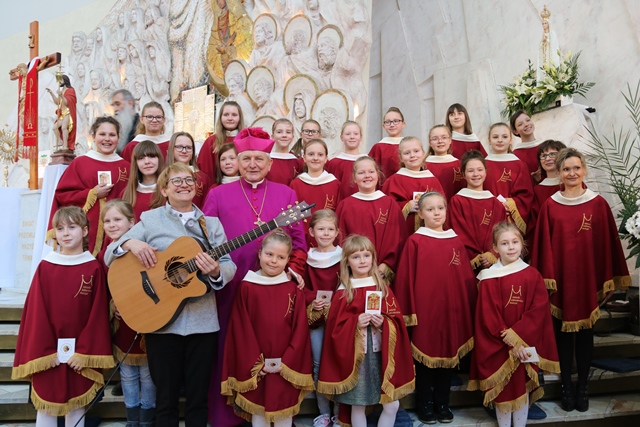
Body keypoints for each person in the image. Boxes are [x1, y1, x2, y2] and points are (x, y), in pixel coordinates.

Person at [105, 163, 237, 427]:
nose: (183, 185)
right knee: (165, 399)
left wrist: (215, 272)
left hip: (202, 323)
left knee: (198, 397)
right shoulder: (151, 219)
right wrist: (131, 242)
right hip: (161, 322)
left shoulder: (210, 224)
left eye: (188, 180)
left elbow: (228, 264)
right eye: (176, 181)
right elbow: (110, 253)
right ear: (164, 190)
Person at [202, 127, 307, 427]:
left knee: (273, 350)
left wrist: (291, 270)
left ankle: (273, 412)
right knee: (230, 348)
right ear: (236, 161)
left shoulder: (286, 194)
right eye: (246, 158)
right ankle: (227, 418)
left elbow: (299, 244)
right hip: (229, 288)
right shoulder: (217, 194)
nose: (252, 164)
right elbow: (205, 242)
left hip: (274, 293)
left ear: (270, 162)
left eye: (259, 159)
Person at [531, 148, 630, 412]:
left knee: (586, 334)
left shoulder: (598, 204)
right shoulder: (551, 206)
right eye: (566, 169)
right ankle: (566, 386)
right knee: (563, 335)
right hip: (561, 282)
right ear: (559, 173)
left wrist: (607, 280)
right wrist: (547, 283)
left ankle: (583, 387)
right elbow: (544, 247)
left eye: (576, 168)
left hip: (588, 281)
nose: (572, 173)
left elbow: (606, 245)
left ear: (584, 170)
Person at [13, 206, 115, 427]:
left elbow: (97, 314)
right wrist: (46, 351)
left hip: (79, 352)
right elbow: (36, 313)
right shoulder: (46, 267)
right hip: (47, 350)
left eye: (72, 227)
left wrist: (85, 352)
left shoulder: (93, 268)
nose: (65, 233)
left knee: (77, 406)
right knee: (45, 406)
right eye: (60, 229)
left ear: (85, 231)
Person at [394, 192, 475, 424]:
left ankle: (443, 403)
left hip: (451, 310)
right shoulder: (415, 242)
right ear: (420, 213)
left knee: (448, 360)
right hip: (425, 312)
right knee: (424, 362)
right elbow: (405, 279)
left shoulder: (455, 241)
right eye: (430, 209)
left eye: (441, 208)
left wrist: (465, 308)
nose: (437, 213)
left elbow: (464, 280)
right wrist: (410, 312)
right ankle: (425, 405)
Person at [317, 235, 415, 427]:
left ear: (373, 258)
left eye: (366, 255)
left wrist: (384, 323)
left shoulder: (382, 287)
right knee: (358, 405)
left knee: (392, 405)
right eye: (356, 257)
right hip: (358, 359)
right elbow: (335, 329)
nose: (362, 261)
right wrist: (355, 322)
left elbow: (396, 319)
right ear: (347, 262)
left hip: (381, 357)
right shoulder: (344, 291)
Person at [469, 222, 560, 427]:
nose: (511, 247)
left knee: (522, 390)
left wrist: (519, 339)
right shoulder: (488, 278)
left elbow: (538, 310)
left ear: (522, 244)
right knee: (503, 393)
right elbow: (488, 314)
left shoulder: (533, 275)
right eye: (504, 243)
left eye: (515, 242)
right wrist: (510, 341)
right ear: (495, 248)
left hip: (525, 345)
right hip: (498, 346)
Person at [221, 230, 314, 426]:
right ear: (260, 253)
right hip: (258, 366)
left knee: (284, 415)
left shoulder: (292, 288)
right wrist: (255, 363)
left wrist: (288, 361)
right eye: (269, 254)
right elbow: (241, 329)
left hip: (285, 365)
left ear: (288, 259)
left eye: (281, 257)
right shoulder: (247, 286)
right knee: (259, 415)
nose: (273, 261)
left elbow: (300, 330)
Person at [100, 200, 156, 427]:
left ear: (132, 223)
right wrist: (112, 306)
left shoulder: (142, 248)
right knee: (128, 374)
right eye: (107, 221)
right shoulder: (104, 255)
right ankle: (132, 419)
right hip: (121, 322)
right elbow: (103, 291)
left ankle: (147, 419)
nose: (112, 225)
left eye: (117, 219)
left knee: (148, 375)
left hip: (146, 319)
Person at [48, 116, 130, 256]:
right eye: (102, 134)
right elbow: (62, 195)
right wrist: (92, 194)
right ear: (93, 136)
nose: (107, 139)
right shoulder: (80, 163)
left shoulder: (126, 167)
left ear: (118, 138)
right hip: (86, 230)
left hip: (118, 232)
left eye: (112, 135)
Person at [336, 156, 407, 283]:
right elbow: (340, 239)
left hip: (382, 272)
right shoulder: (345, 205)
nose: (367, 176)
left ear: (378, 175)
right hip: (354, 273)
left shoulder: (389, 204)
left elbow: (397, 238)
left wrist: (386, 265)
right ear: (354, 178)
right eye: (361, 173)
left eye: (371, 171)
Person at [303, 210, 342, 427]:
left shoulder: (343, 256)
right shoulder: (306, 258)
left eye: (330, 229)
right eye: (321, 229)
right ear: (311, 232)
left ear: (337, 232)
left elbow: (349, 284)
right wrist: (312, 300)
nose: (325, 233)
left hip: (339, 318)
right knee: (318, 363)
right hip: (316, 318)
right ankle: (324, 412)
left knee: (338, 362)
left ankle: (338, 413)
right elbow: (301, 287)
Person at [449, 151, 506, 272]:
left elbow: (501, 233)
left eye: (480, 170)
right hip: (466, 262)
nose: (476, 174)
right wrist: (475, 257)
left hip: (492, 265)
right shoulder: (457, 201)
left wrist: (492, 254)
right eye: (470, 171)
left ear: (486, 172)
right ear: (463, 174)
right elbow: (458, 232)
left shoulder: (496, 204)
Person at [381, 136, 444, 235]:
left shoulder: (432, 180)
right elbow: (385, 207)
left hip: (430, 231)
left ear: (423, 153)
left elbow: (442, 205)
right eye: (407, 153)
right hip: (402, 231)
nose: (412, 155)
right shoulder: (394, 180)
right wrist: (407, 206)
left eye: (416, 151)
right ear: (401, 158)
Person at [483, 123, 534, 235]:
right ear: (489, 140)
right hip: (488, 214)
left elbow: (526, 195)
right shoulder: (482, 165)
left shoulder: (520, 165)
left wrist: (509, 204)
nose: (500, 140)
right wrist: (493, 206)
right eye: (495, 137)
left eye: (504, 136)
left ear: (511, 140)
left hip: (510, 217)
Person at [290, 139, 341, 249]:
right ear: (304, 158)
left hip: (328, 240)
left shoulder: (335, 184)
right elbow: (293, 217)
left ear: (326, 158)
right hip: (302, 240)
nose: (315, 158)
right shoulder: (295, 184)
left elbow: (338, 214)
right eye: (311, 154)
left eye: (320, 154)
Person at [197, 101, 245, 181]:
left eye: (234, 115)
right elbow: (205, 171)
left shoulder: (246, 140)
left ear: (240, 118)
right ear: (220, 117)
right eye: (226, 115)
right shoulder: (211, 141)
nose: (230, 118)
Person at [165, 132, 211, 208]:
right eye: (179, 147)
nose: (184, 151)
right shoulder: (164, 175)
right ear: (171, 149)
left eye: (188, 147)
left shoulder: (203, 178)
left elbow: (206, 207)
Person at [120, 140, 164, 221]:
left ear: (159, 159)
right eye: (141, 158)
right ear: (135, 163)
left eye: (151, 156)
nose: (147, 162)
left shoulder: (169, 192)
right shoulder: (126, 194)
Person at [425, 124, 465, 201]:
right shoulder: (423, 165)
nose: (440, 141)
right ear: (430, 143)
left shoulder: (459, 165)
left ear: (450, 140)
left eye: (444, 137)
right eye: (435, 139)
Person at [326, 121, 363, 199]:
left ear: (361, 137)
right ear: (341, 137)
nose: (352, 137)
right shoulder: (335, 163)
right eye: (348, 134)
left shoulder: (368, 161)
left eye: (356, 134)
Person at [368, 107, 406, 181]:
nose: (392, 125)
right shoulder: (378, 147)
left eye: (396, 121)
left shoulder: (409, 145)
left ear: (403, 124)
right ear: (384, 126)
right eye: (388, 122)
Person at [46, 74, 77, 152]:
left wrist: (61, 95)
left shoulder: (70, 90)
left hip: (67, 112)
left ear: (65, 80)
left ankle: (65, 146)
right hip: (62, 114)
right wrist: (51, 93)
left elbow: (67, 102)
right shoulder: (62, 90)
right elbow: (58, 102)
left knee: (64, 128)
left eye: (61, 80)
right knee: (54, 128)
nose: (59, 82)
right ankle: (60, 141)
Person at [268, 118, 304, 185]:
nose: (284, 135)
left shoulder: (298, 162)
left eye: (288, 132)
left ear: (292, 137)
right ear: (272, 136)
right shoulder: (266, 160)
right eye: (279, 132)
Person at [510, 110, 542, 182]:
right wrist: (531, 179)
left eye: (528, 120)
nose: (526, 124)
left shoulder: (546, 146)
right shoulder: (515, 156)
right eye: (520, 124)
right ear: (515, 131)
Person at [110, 89, 140, 154]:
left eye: (118, 104)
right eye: (113, 105)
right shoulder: (117, 127)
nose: (115, 109)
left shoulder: (142, 125)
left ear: (130, 103)